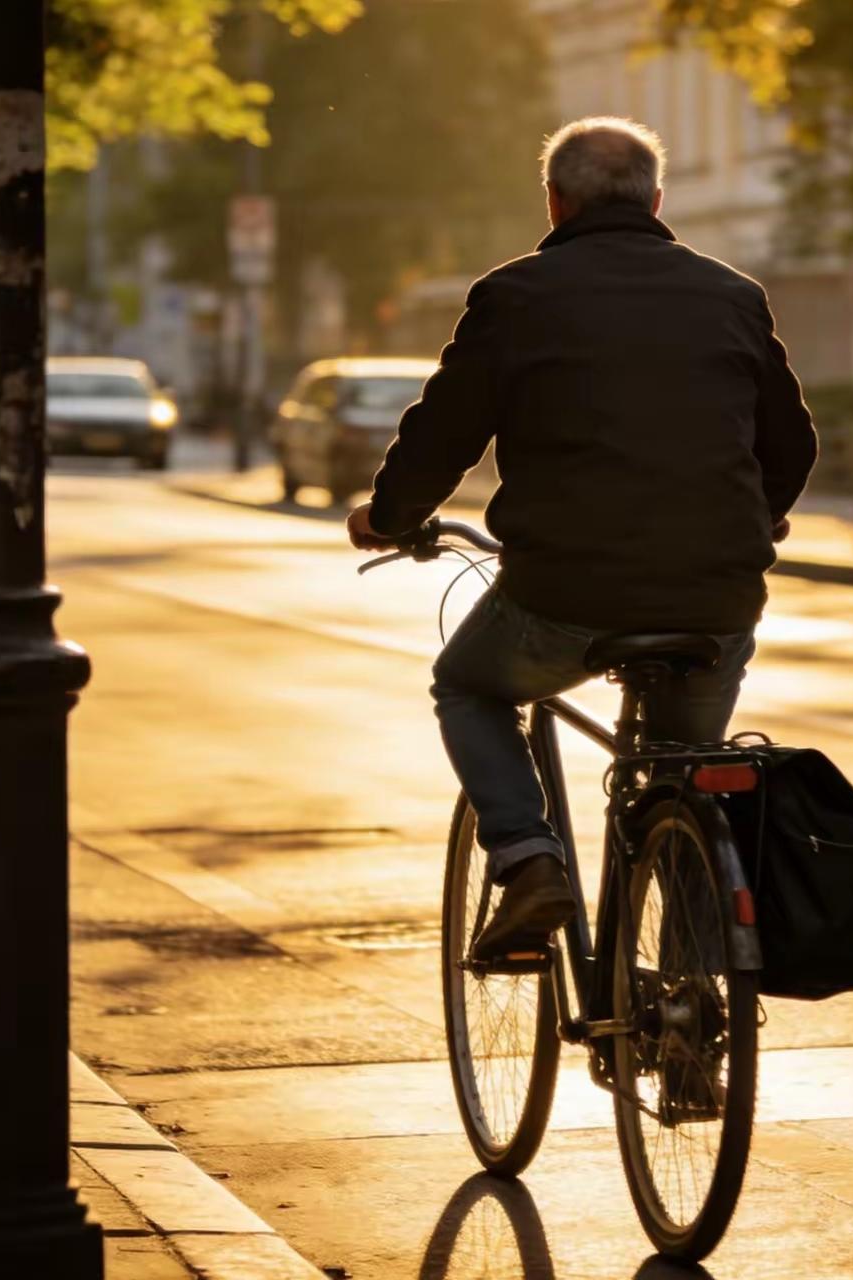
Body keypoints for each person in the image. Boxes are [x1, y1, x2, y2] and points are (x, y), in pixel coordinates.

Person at [347, 116, 816, 959]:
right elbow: (792, 444)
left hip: (562, 595)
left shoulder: (515, 296)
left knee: (468, 686)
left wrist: (388, 519)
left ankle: (528, 858)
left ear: (555, 203)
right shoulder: (733, 295)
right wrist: (760, 515)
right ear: (657, 200)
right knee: (685, 771)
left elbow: (442, 436)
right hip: (716, 596)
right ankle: (694, 1021)